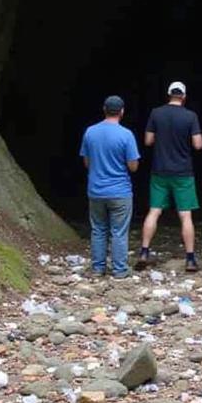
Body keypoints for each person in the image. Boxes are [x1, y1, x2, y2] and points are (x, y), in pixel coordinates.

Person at [135, 81, 202, 273]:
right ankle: (190, 259)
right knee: (185, 215)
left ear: (168, 95)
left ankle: (144, 251)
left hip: (159, 170)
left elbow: (148, 141)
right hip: (183, 172)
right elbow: (198, 144)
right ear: (183, 96)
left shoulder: (156, 113)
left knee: (154, 211)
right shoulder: (191, 116)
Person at [79, 95, 140, 279]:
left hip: (96, 190)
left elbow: (87, 162)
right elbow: (133, 166)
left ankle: (98, 268)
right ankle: (119, 269)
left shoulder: (90, 132)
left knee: (98, 229)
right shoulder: (126, 135)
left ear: (104, 109)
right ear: (122, 112)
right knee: (119, 232)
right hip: (120, 191)